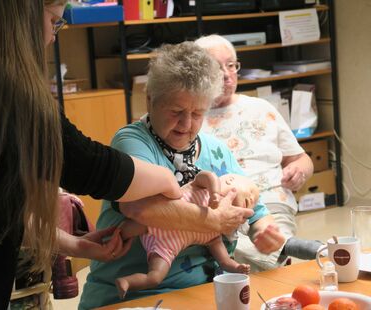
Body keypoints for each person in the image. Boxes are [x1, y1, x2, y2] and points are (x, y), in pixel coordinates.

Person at [0, 1, 184, 309]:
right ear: (26, 13)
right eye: (55, 22)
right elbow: (88, 166)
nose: (53, 37)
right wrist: (167, 178)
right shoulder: (3, 82)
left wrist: (75, 244)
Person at [79, 42, 285, 309]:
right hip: (133, 298)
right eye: (176, 112)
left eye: (197, 113)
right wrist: (214, 221)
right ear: (150, 99)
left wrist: (263, 230)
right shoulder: (132, 142)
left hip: (202, 292)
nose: (187, 125)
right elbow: (140, 208)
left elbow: (255, 209)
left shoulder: (216, 150)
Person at [195, 34, 321, 272]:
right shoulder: (190, 116)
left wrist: (299, 170)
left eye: (231, 65)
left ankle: (275, 251)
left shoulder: (261, 108)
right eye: (215, 67)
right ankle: (284, 252)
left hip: (271, 202)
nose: (226, 73)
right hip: (217, 207)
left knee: (244, 243)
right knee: (211, 240)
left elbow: (301, 158)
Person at [115, 171, 259, 299]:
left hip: (167, 246)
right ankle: (106, 242)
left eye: (253, 204)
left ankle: (127, 282)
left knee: (155, 277)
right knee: (120, 234)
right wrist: (214, 192)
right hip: (157, 217)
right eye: (251, 192)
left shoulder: (216, 234)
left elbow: (224, 261)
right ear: (230, 180)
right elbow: (205, 176)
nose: (252, 200)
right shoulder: (205, 188)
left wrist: (237, 268)